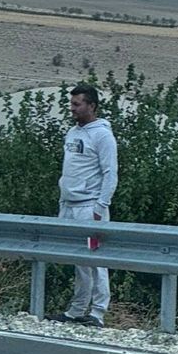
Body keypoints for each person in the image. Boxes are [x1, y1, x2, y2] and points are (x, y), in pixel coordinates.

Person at [47, 83, 119, 328]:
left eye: (77, 104)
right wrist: (63, 199)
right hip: (69, 203)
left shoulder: (102, 135)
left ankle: (98, 312)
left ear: (92, 106)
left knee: (96, 261)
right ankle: (77, 310)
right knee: (78, 260)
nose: (72, 108)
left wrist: (101, 206)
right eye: (71, 103)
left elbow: (110, 172)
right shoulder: (72, 133)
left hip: (89, 205)